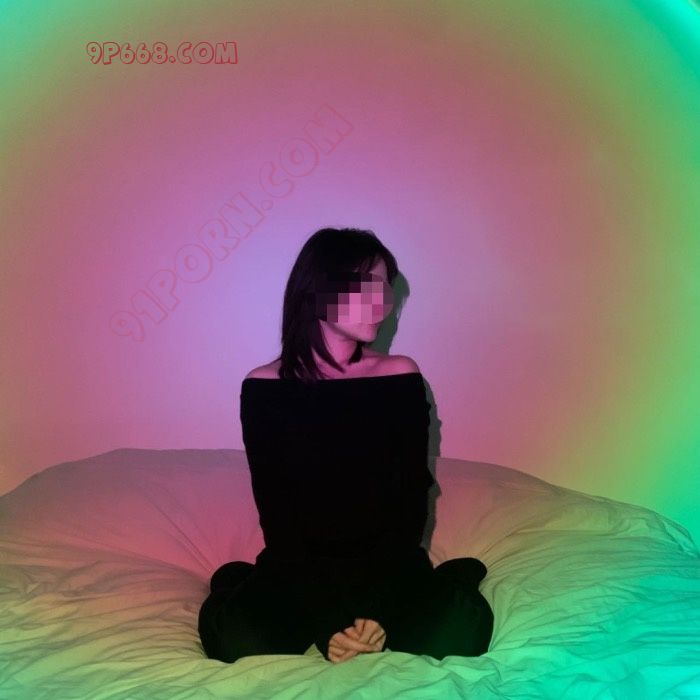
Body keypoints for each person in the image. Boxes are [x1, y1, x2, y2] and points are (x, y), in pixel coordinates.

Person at [197, 227, 494, 664]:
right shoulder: (263, 386)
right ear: (315, 289)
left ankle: (451, 580)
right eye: (364, 285)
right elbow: (278, 512)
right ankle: (234, 581)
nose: (382, 304)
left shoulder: (399, 374)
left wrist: (377, 611)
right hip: (299, 568)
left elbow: (410, 500)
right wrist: (329, 621)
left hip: (388, 564)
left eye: (385, 289)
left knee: (460, 636)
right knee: (237, 644)